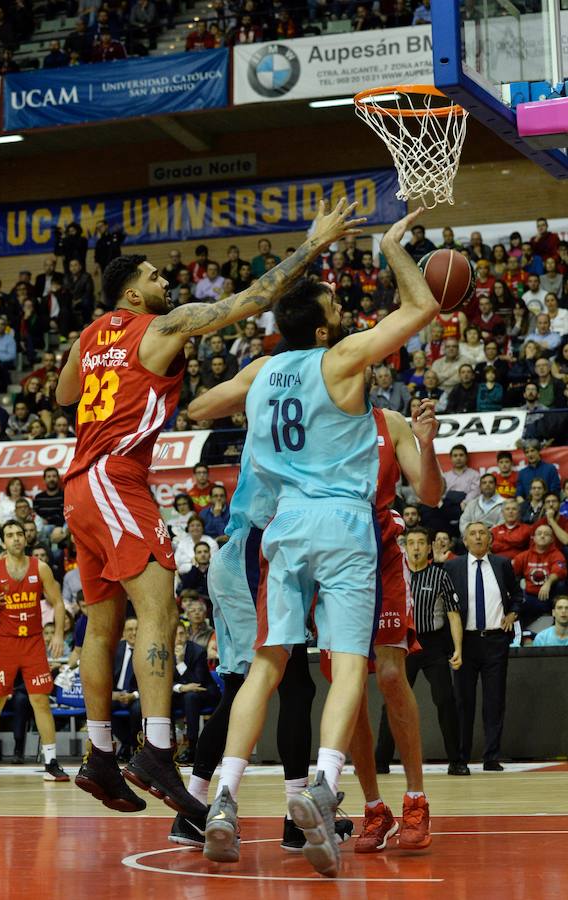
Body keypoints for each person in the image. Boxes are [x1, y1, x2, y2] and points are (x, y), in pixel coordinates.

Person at [55, 198, 368, 817]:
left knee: (103, 618)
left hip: (77, 488)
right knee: (159, 606)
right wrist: (313, 244)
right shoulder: (160, 327)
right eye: (154, 277)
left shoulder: (90, 335)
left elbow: (67, 392)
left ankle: (97, 753)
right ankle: (155, 750)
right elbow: (252, 301)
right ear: (135, 297)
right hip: (117, 476)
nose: (165, 281)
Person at [200, 208, 439, 877]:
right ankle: (325, 789)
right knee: (349, 665)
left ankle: (223, 799)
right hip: (341, 524)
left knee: (269, 664)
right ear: (327, 325)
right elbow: (419, 305)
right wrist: (391, 246)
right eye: (335, 303)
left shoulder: (262, 372)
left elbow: (199, 408)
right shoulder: (342, 358)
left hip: (283, 527)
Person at [183, 378, 443, 856]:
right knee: (347, 678)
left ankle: (415, 797)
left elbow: (430, 493)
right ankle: (372, 806)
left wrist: (426, 446)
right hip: (325, 547)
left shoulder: (392, 424)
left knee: (387, 674)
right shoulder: (313, 418)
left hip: (377, 547)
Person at [0, 520, 70, 784]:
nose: (15, 538)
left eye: (19, 534)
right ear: (3, 541)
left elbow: (58, 602)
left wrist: (59, 633)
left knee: (40, 700)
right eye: (10, 535)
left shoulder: (41, 568)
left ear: (25, 539)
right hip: (3, 642)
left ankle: (51, 761)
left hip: (34, 642)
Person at [374, 527, 466, 776]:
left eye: (421, 543)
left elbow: (453, 613)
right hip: (403, 645)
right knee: (393, 701)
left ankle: (456, 761)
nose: (415, 547)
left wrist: (458, 648)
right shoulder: (395, 576)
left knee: (445, 700)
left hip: (433, 645)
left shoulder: (440, 575)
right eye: (411, 542)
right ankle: (380, 761)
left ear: (429, 548)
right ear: (405, 547)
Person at [444, 522, 522, 771]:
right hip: (464, 642)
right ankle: (461, 757)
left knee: (494, 699)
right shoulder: (452, 566)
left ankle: (491, 756)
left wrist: (513, 613)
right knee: (462, 701)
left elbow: (518, 596)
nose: (478, 537)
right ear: (464, 541)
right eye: (472, 534)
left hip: (496, 640)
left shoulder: (501, 564)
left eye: (482, 534)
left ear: (490, 539)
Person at [172, 622, 220, 764]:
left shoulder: (198, 651)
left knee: (191, 697)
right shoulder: (165, 651)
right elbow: (164, 680)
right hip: (179, 693)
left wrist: (180, 663)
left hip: (204, 694)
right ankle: (168, 747)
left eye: (181, 634)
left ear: (187, 635)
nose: (178, 638)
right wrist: (181, 688)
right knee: (164, 698)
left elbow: (197, 682)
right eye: (175, 634)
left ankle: (193, 747)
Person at [512, 524, 567, 627]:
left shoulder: (556, 554)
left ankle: (557, 622)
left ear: (552, 539)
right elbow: (511, 574)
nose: (542, 536)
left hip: (550, 597)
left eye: (546, 534)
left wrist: (548, 583)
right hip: (530, 597)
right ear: (534, 538)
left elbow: (560, 571)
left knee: (561, 584)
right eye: (539, 534)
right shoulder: (523, 556)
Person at [112, 617, 141, 762]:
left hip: (139, 695)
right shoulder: (117, 648)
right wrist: (112, 694)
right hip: (117, 693)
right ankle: (125, 742)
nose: (134, 633)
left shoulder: (148, 649)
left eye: (137, 629)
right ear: (123, 632)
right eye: (130, 629)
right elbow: (106, 673)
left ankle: (136, 748)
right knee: (101, 706)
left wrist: (134, 695)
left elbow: (153, 682)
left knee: (137, 709)